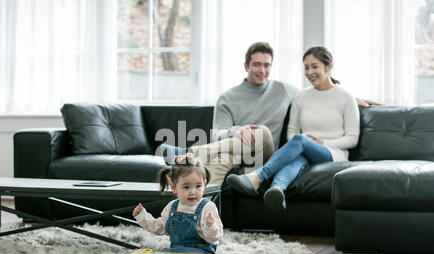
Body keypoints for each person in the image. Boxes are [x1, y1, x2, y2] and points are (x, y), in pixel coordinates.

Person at [159, 42, 379, 186]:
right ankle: (207, 215)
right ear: (246, 65)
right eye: (256, 64)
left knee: (260, 131)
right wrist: (237, 130)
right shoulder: (228, 97)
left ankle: (188, 151)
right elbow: (217, 133)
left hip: (267, 155)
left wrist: (353, 99)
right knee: (218, 163)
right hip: (238, 153)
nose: (262, 70)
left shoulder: (285, 90)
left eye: (267, 65)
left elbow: (320, 93)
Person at [226, 46, 360, 210]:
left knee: (300, 140)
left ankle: (258, 176)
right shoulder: (301, 96)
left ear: (329, 66)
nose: (310, 72)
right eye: (306, 67)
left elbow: (352, 139)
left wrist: (322, 142)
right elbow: (291, 133)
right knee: (296, 157)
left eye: (315, 66)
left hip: (333, 153)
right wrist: (306, 142)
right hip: (304, 150)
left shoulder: (345, 97)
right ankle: (276, 190)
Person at [132, 153, 223, 254]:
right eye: (186, 187)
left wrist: (210, 227)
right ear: (173, 186)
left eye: (198, 186)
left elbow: (215, 238)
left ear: (204, 184)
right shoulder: (172, 207)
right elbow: (159, 227)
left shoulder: (207, 207)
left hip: (202, 251)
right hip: (177, 250)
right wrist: (143, 217)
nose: (193, 192)